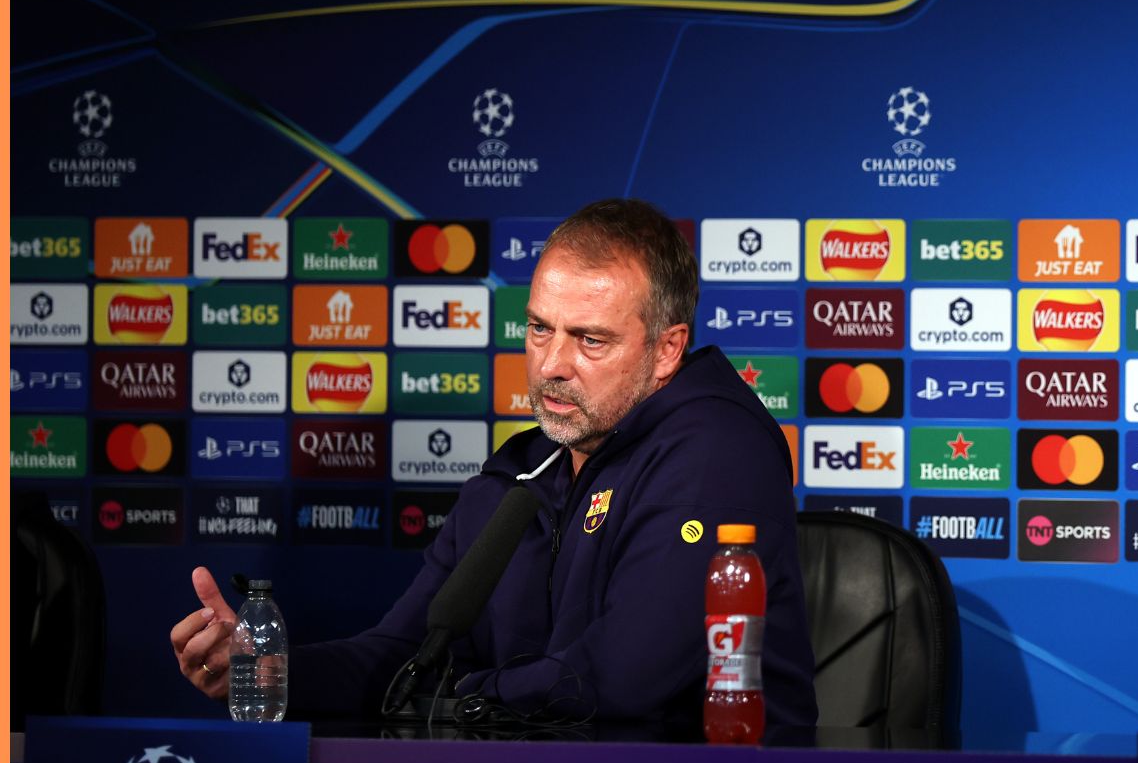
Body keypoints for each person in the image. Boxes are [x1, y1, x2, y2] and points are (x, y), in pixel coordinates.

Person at [169, 199, 817, 726]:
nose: (553, 365)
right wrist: (264, 672)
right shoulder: (523, 473)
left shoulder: (716, 451)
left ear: (668, 349)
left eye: (590, 339)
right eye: (540, 329)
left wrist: (462, 700)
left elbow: (625, 678)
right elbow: (404, 655)